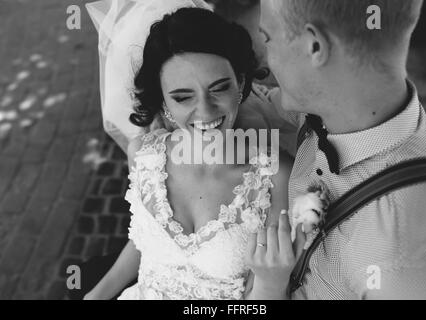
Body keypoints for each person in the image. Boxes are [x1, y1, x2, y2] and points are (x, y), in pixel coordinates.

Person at [84, 7, 301, 300]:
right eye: (183, 97)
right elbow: (144, 237)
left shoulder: (276, 176)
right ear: (163, 104)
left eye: (219, 88)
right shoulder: (144, 155)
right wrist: (96, 295)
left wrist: (273, 284)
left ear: (240, 83)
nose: (205, 110)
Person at [255, 0, 426, 299]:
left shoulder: (404, 265)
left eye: (267, 38)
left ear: (314, 46)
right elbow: (261, 103)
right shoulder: (353, 98)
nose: (265, 63)